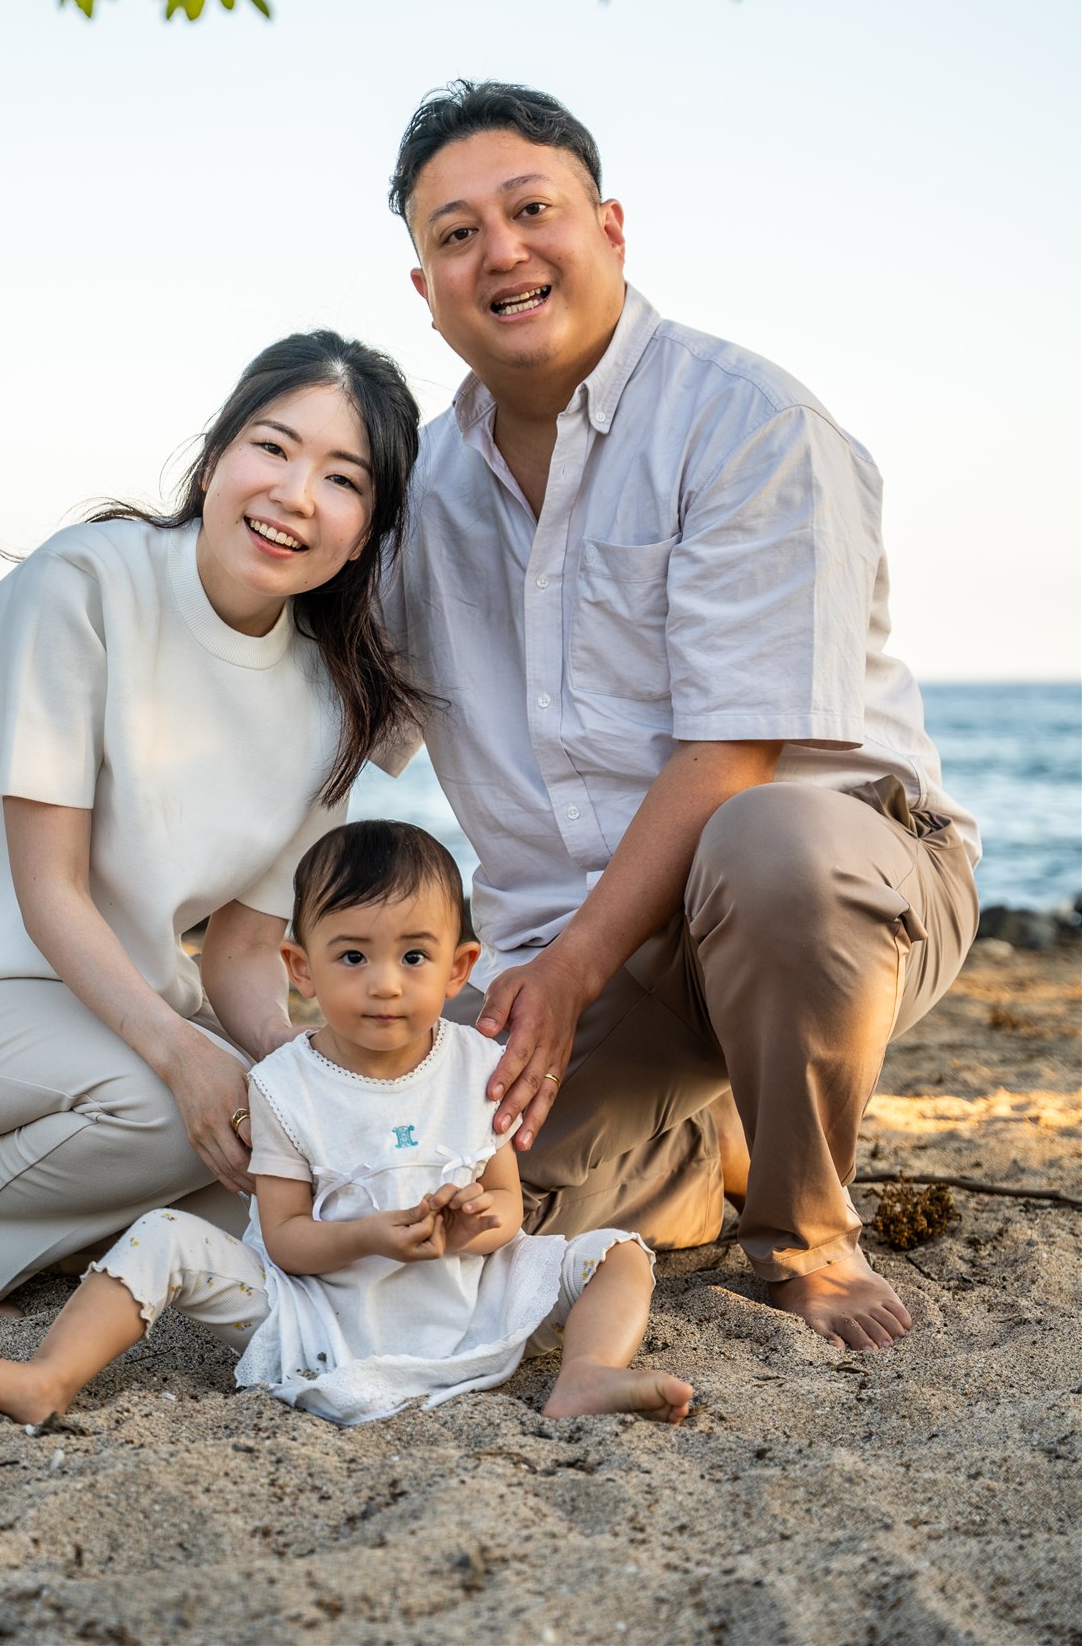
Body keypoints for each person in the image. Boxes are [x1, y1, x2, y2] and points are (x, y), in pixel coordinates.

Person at [376, 80, 980, 1354]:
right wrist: (51, 709)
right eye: (456, 233)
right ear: (424, 289)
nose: (502, 250)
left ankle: (807, 1236)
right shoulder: (418, 494)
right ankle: (706, 1138)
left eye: (531, 209)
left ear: (609, 227)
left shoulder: (747, 419)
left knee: (768, 841)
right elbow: (313, 710)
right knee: (463, 1201)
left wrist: (573, 966)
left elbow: (737, 748)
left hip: (839, 883)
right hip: (593, 947)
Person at [0, 331, 429, 1315]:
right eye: (272, 447)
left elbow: (241, 952)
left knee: (294, 1170)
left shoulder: (332, 703)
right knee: (173, 1108)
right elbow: (47, 888)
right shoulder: (87, 583)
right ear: (214, 460)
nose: (293, 494)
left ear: (365, 531)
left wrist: (309, 1081)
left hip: (111, 1010)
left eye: (342, 478)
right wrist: (183, 1052)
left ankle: (71, 1224)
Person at [0, 820, 695, 1428]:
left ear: (460, 969)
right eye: (352, 957)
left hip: (469, 1297)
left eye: (414, 958)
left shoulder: (473, 1064)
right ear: (301, 968)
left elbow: (507, 1208)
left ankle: (587, 1371)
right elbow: (285, 1238)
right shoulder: (286, 1085)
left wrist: (471, 1225)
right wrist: (369, 1237)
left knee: (613, 1252)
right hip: (316, 1316)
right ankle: (49, 1378)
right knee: (161, 1235)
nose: (385, 985)